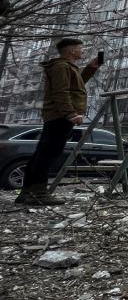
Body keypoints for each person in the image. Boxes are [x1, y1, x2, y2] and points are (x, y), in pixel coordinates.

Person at [15, 38, 101, 205]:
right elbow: (61, 92)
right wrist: (70, 114)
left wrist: (91, 69)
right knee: (48, 153)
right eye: (80, 48)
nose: (82, 51)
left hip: (57, 115)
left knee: (43, 152)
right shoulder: (61, 66)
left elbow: (76, 85)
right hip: (60, 115)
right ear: (71, 50)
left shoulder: (65, 67)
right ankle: (38, 193)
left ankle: (27, 192)